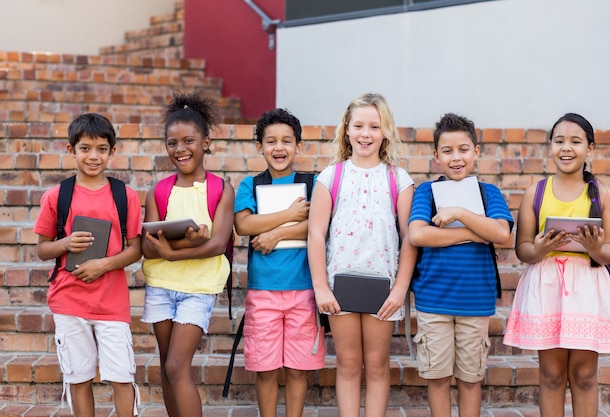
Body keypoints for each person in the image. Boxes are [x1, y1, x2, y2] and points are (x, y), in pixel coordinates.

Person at [308, 93, 417, 417]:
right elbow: (316, 234)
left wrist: (399, 289)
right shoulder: (331, 177)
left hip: (382, 288)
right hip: (339, 287)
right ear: (346, 129)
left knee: (377, 365)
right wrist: (320, 288)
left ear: (385, 132)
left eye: (374, 126)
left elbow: (409, 238)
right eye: (358, 125)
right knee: (348, 363)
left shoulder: (399, 179)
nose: (365, 133)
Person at [504, 113, 610, 417]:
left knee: (583, 376)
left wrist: (595, 247)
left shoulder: (604, 195)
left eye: (575, 141)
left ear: (589, 149)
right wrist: (540, 247)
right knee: (552, 376)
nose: (566, 148)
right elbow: (523, 250)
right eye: (559, 141)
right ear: (550, 147)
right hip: (547, 287)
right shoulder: (536, 192)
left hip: (587, 287)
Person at [34, 113, 142, 417]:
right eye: (85, 148)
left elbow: (136, 250)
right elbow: (42, 250)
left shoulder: (125, 196)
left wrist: (103, 265)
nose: (93, 156)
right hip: (69, 300)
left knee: (122, 376)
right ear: (71, 150)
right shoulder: (57, 196)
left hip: (112, 303)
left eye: (101, 149)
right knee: (78, 378)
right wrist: (66, 244)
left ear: (112, 151)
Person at [408, 113, 513, 417]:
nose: (456, 157)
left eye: (464, 149)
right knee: (438, 377)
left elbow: (502, 233)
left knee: (470, 379)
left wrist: (459, 214)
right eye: (448, 151)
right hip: (433, 301)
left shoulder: (487, 192)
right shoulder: (427, 192)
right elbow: (418, 234)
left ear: (476, 152)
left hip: (475, 302)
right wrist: (474, 233)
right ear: (436, 156)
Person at [141, 91, 234, 417]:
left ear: (206, 142)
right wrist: (187, 245)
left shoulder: (221, 189)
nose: (180, 149)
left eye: (188, 141)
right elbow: (147, 246)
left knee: (179, 365)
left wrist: (172, 252)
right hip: (161, 286)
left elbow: (218, 244)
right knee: (168, 366)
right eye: (172, 143)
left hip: (199, 287)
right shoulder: (159, 190)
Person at [233, 108, 325, 417]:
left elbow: (320, 226)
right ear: (259, 147)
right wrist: (291, 214)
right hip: (264, 292)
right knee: (267, 368)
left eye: (287, 141)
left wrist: (276, 234)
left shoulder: (313, 183)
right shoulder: (252, 185)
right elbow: (244, 225)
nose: (279, 148)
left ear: (299, 145)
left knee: (299, 369)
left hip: (304, 291)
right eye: (271, 141)